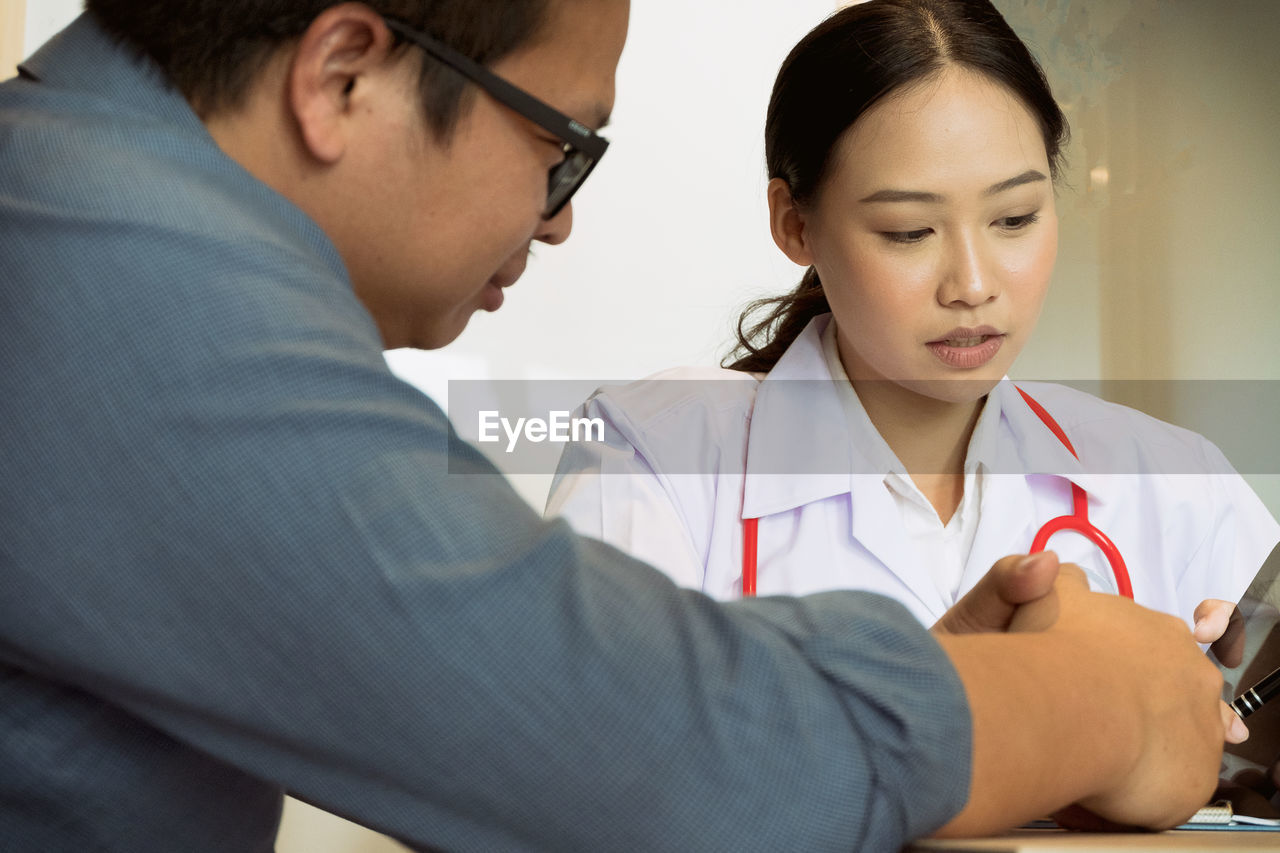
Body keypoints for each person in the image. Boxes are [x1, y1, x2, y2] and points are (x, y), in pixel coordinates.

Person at [0, 0, 1237, 849]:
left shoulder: (78, 207)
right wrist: (1096, 700)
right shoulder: (98, 274)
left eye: (1014, 218)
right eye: (559, 143)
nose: (556, 222)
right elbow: (629, 749)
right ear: (341, 77)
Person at [547, 0, 1278, 649]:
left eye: (1015, 218)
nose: (974, 285)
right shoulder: (655, 459)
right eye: (907, 231)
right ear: (795, 223)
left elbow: (1248, 751)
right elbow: (603, 776)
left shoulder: (1175, 482)